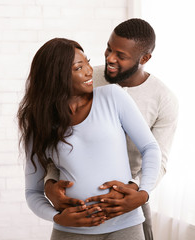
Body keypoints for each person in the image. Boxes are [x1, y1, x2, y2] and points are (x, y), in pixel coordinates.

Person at [44, 18, 179, 239]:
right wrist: (49, 183)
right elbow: (52, 138)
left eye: (121, 56)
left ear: (144, 58)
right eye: (108, 49)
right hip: (79, 207)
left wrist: (137, 191)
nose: (110, 59)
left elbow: (158, 158)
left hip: (128, 203)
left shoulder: (164, 100)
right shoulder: (86, 77)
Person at [18, 37, 161, 240]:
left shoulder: (113, 96)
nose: (89, 70)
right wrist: (57, 218)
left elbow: (150, 148)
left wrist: (143, 193)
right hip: (71, 232)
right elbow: (32, 192)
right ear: (55, 76)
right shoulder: (39, 122)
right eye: (78, 67)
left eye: (87, 62)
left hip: (126, 226)